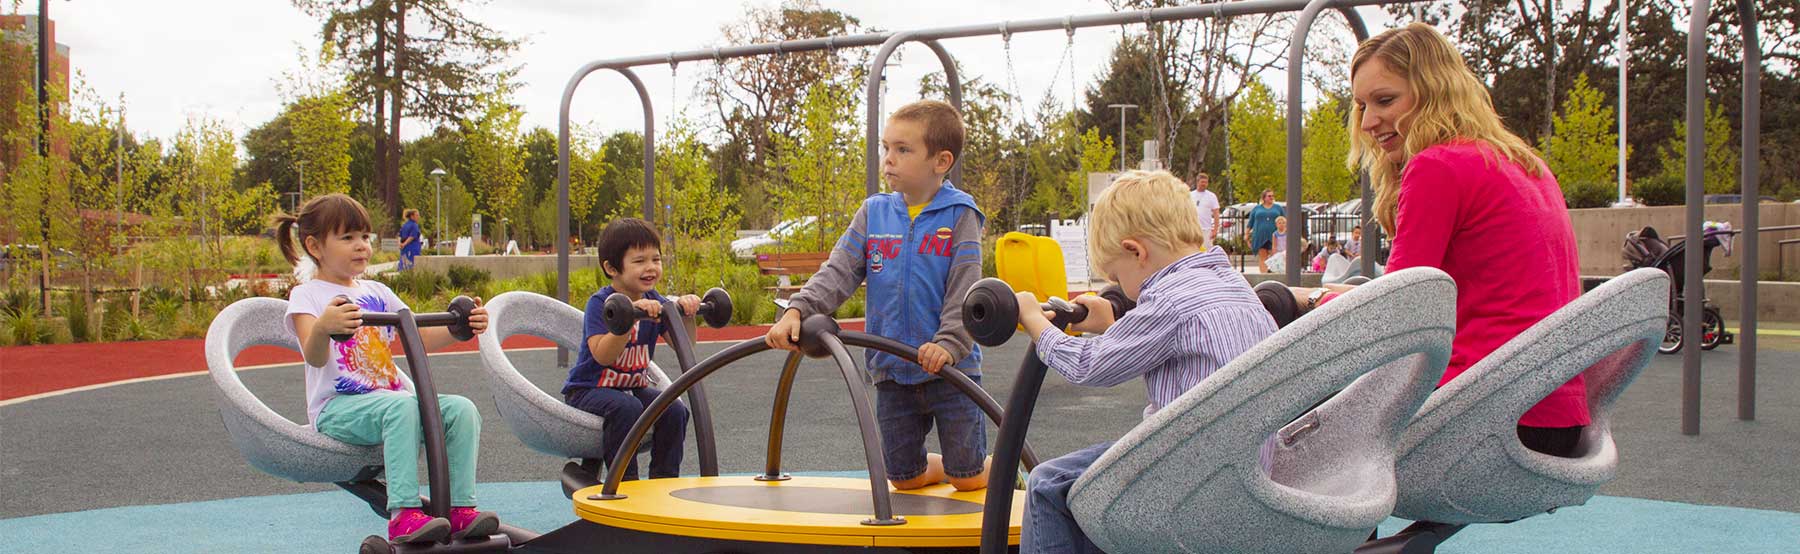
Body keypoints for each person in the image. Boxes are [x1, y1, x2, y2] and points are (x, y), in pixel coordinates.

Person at [1285, 22, 1588, 457]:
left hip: (1485, 412)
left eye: (1385, 100)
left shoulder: (1438, 167)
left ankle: (1326, 523)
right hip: (1553, 414)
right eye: (1361, 106)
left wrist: (1307, 301)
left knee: (1294, 405)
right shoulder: (1525, 165)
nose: (1369, 121)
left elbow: (1395, 318)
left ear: (1433, 92)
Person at [1014, 170, 1277, 554]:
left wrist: (1035, 322)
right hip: (1246, 475)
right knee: (1096, 493)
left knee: (1049, 484)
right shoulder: (1235, 286)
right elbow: (1172, 339)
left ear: (1136, 251)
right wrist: (1114, 325)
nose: (1121, 288)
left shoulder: (1169, 301)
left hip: (1186, 480)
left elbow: (1090, 365)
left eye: (1118, 276)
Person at [765, 99, 991, 492]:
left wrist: (950, 343)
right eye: (886, 148)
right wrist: (797, 309)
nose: (889, 159)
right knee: (905, 480)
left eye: (903, 150)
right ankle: (939, 467)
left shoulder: (960, 216)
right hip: (891, 366)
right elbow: (838, 272)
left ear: (941, 161)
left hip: (949, 369)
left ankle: (1001, 472)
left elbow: (965, 289)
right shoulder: (875, 214)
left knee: (968, 478)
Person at [274, 194, 499, 544]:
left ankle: (459, 510)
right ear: (315, 246)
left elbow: (417, 336)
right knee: (402, 406)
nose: (361, 246)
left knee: (461, 410)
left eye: (365, 237)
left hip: (390, 402)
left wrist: (461, 327)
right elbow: (313, 355)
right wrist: (323, 327)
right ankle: (403, 515)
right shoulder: (309, 295)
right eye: (347, 238)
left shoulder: (378, 291)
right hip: (338, 408)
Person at [563, 217, 697, 481]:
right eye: (639, 261)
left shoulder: (655, 301)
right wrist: (629, 317)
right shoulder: (601, 304)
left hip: (631, 388)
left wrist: (687, 313)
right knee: (627, 407)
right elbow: (603, 355)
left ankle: (663, 481)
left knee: (675, 410)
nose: (651, 268)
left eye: (655, 259)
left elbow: (685, 345)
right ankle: (625, 482)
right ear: (612, 268)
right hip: (588, 389)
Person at [1248, 189, 1284, 272]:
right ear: (1264, 198)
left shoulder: (1278, 208)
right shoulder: (1257, 209)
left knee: (1275, 256)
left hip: (1275, 235)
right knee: (1263, 256)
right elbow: (1251, 222)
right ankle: (1263, 275)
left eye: (1272, 196)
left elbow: (1284, 219)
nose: (1271, 197)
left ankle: (1274, 274)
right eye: (1269, 196)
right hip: (1260, 235)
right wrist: (1246, 235)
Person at [1189, 171, 1221, 242]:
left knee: (1205, 251)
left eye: (1206, 182)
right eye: (1202, 182)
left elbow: (1216, 213)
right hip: (1193, 229)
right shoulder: (1190, 195)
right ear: (1197, 182)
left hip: (1206, 230)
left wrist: (1215, 230)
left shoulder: (1211, 196)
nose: (1204, 184)